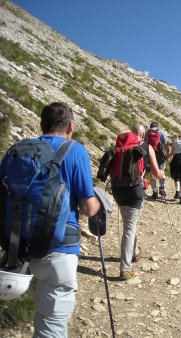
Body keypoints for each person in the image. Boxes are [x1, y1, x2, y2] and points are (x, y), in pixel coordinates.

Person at [22, 102, 100, 337]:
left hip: (19, 248)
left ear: (41, 124)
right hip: (58, 249)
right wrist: (99, 200)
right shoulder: (75, 150)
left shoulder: (22, 149)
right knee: (51, 326)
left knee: (39, 314)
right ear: (70, 126)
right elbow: (88, 208)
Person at [111, 123, 163, 280]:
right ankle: (125, 268)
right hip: (135, 190)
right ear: (142, 135)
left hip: (117, 189)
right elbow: (155, 173)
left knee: (129, 223)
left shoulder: (119, 147)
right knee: (129, 227)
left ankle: (133, 253)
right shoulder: (146, 147)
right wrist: (162, 174)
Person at [145, 121, 170, 200]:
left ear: (150, 126)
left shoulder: (147, 132)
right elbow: (165, 144)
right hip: (159, 155)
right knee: (161, 171)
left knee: (152, 174)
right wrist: (168, 154)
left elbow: (144, 143)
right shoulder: (161, 132)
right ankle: (161, 188)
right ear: (157, 126)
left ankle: (154, 192)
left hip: (150, 154)